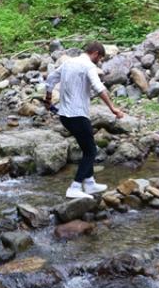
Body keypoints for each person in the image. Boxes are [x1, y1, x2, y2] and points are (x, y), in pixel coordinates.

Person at [44, 41, 126, 198]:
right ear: (95, 53)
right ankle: (74, 187)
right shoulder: (88, 66)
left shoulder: (68, 63)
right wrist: (112, 108)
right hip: (78, 115)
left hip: (65, 116)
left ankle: (89, 184)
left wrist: (48, 99)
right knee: (91, 151)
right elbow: (99, 87)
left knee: (86, 146)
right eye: (100, 58)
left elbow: (50, 78)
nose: (99, 62)